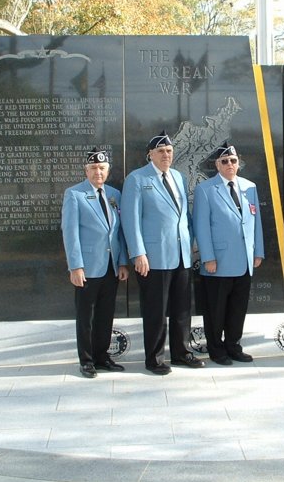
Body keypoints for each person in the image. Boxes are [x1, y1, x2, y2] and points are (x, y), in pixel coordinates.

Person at [121, 131, 206, 375]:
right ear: (150, 154)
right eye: (160, 151)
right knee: (156, 311)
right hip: (153, 257)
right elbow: (130, 219)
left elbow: (184, 215)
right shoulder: (137, 179)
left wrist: (190, 241)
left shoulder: (178, 177)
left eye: (169, 151)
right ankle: (155, 359)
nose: (166, 155)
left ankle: (181, 353)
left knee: (182, 309)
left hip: (181, 254)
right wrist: (138, 253)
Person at [192, 143, 265, 365]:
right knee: (216, 310)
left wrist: (258, 251)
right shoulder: (206, 189)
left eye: (233, 160)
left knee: (237, 308)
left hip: (244, 260)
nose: (230, 164)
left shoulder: (249, 187)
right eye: (224, 161)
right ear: (217, 165)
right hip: (218, 261)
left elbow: (256, 222)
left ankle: (234, 346)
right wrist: (208, 257)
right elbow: (201, 226)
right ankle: (216, 350)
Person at [61, 148, 130, 378]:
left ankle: (102, 356)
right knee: (86, 316)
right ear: (86, 170)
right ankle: (87, 360)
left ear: (107, 171)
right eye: (93, 168)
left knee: (105, 314)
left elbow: (119, 233)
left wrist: (122, 262)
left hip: (111, 266)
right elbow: (70, 233)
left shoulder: (114, 194)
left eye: (102, 168)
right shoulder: (75, 194)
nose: (98, 172)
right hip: (88, 267)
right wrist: (75, 266)